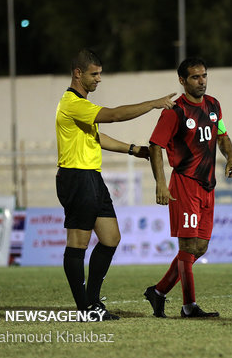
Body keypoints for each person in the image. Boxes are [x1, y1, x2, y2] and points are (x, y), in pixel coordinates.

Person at [56, 48, 176, 321]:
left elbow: (98, 137)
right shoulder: (71, 102)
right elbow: (114, 115)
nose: (99, 79)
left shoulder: (83, 108)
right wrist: (153, 103)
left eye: (100, 74)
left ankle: (93, 300)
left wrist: (134, 149)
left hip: (91, 177)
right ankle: (85, 308)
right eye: (94, 74)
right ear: (78, 74)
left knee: (111, 238)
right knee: (78, 243)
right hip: (75, 177)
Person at [143, 57, 232, 318]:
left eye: (204, 76)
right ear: (182, 81)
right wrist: (161, 184)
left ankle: (159, 291)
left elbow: (222, 134)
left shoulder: (213, 106)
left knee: (200, 247)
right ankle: (189, 306)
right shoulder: (175, 111)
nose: (202, 81)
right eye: (195, 77)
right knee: (187, 246)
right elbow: (155, 146)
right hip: (184, 183)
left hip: (208, 185)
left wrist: (231, 157)